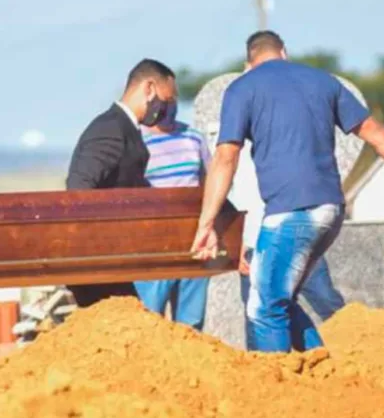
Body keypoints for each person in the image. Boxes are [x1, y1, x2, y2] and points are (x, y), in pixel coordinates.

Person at [192, 31, 384, 352]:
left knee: (263, 307)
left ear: (248, 63)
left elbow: (226, 156)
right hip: (331, 211)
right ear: (284, 52)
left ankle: (281, 391)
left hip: (291, 212)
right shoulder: (323, 81)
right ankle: (323, 371)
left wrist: (207, 222)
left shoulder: (243, 88)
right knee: (282, 298)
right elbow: (377, 134)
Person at [65, 58, 177, 307]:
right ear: (149, 89)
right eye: (166, 100)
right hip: (96, 262)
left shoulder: (124, 128)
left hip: (110, 260)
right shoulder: (111, 129)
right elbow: (78, 191)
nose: (166, 109)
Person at [228, 141, 346, 332]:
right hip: (255, 244)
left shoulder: (287, 143)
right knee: (258, 316)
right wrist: (240, 243)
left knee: (326, 300)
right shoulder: (235, 151)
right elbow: (237, 201)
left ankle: (356, 347)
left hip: (298, 237)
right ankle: (275, 360)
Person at [133, 105, 212, 331]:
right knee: (148, 319)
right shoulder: (139, 142)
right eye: (163, 102)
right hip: (153, 246)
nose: (169, 108)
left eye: (173, 100)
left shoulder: (195, 138)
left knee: (192, 323)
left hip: (193, 242)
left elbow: (210, 179)